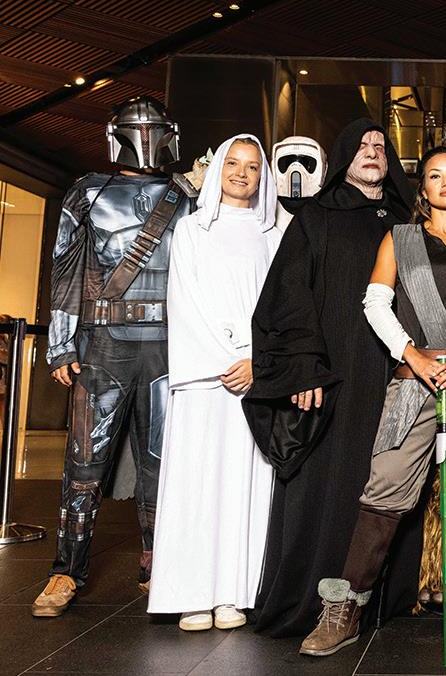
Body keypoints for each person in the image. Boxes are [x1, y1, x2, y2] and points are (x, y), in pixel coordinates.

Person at [298, 146, 446, 656]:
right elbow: (375, 303)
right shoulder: (399, 238)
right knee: (386, 484)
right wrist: (413, 354)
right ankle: (345, 610)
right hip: (414, 380)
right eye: (434, 175)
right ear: (423, 189)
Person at [242, 119, 419, 638]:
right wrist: (303, 366)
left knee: (390, 481)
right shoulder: (316, 217)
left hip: (399, 375)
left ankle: (381, 598)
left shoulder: (407, 221)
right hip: (335, 374)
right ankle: (318, 599)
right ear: (344, 157)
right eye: (362, 146)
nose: (373, 152)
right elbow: (288, 295)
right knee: (329, 483)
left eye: (381, 147)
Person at [33, 97, 193, 618]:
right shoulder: (88, 192)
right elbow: (66, 269)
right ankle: (65, 570)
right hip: (104, 346)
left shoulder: (188, 196)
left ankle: (159, 568)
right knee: (84, 463)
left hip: (171, 347)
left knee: (163, 465)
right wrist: (61, 342)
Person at [148, 135, 280, 631]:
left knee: (245, 486)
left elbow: (282, 306)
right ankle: (193, 594)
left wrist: (257, 360)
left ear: (263, 176)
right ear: (219, 168)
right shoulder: (191, 230)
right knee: (198, 484)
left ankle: (233, 593)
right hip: (206, 379)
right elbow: (183, 300)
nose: (242, 173)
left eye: (252, 166)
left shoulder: (274, 234)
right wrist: (227, 359)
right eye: (233, 164)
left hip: (253, 376)